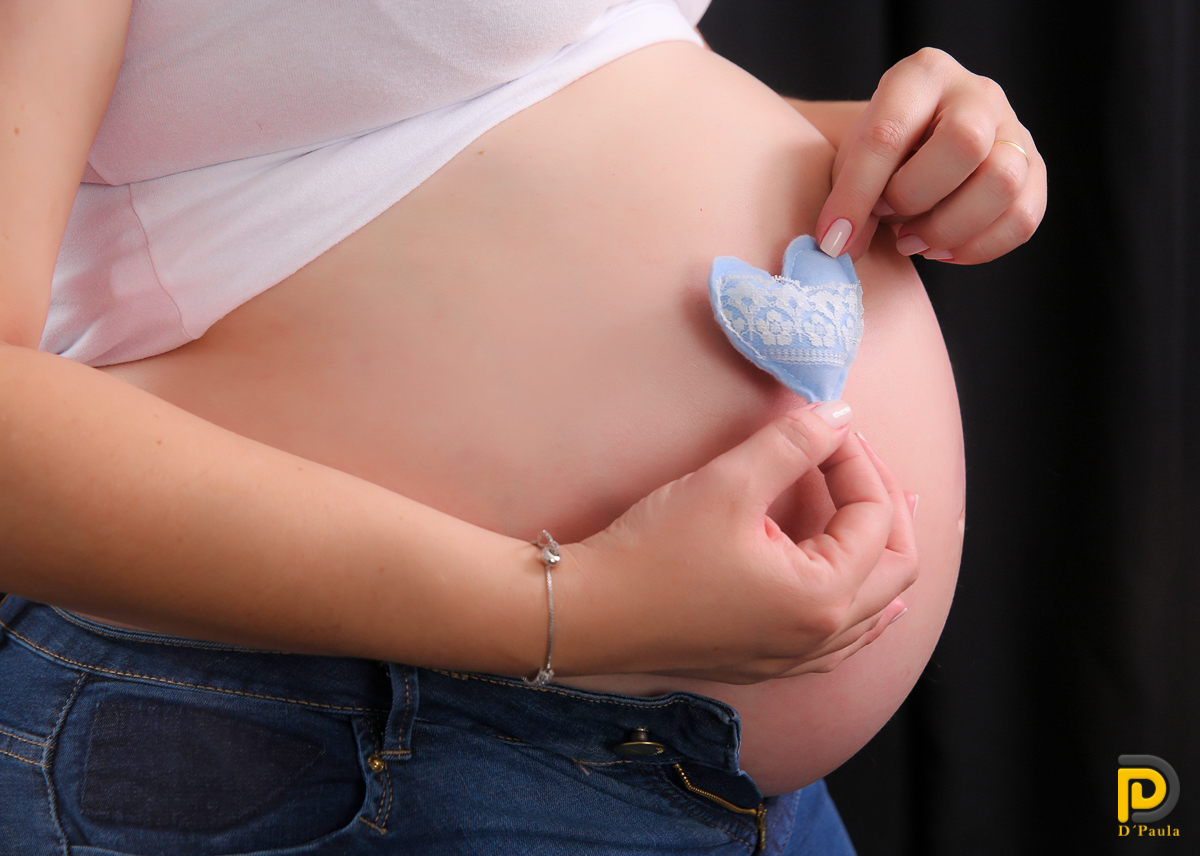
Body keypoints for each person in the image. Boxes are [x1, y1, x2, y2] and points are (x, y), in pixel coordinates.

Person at [0, 1, 1045, 853]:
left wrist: (898, 150)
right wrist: (580, 608)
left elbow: (540, 95)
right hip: (360, 734)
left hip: (706, 775)